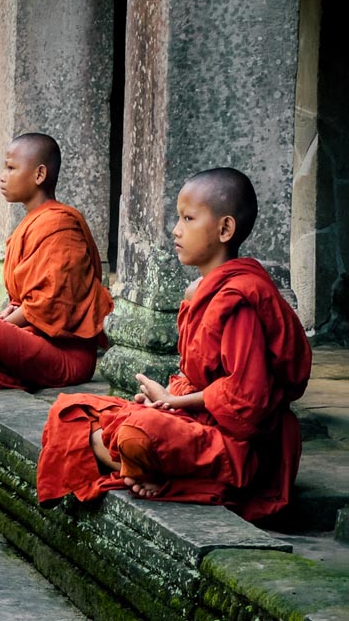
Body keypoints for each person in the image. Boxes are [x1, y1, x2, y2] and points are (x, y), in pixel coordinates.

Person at [36, 168, 312, 524]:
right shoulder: (198, 293)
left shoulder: (240, 298)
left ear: (225, 229)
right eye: (177, 218)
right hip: (198, 422)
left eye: (188, 218)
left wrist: (172, 403)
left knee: (138, 433)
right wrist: (165, 397)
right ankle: (141, 467)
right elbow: (196, 372)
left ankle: (140, 465)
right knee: (71, 409)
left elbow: (248, 402)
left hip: (241, 446)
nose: (176, 230)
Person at [0, 133, 112, 390]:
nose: (2, 176)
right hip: (31, 338)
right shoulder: (30, 222)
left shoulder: (60, 225)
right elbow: (27, 299)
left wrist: (1, 324)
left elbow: (52, 304)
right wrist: (7, 312)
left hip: (65, 355)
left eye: (11, 168)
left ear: (39, 175)